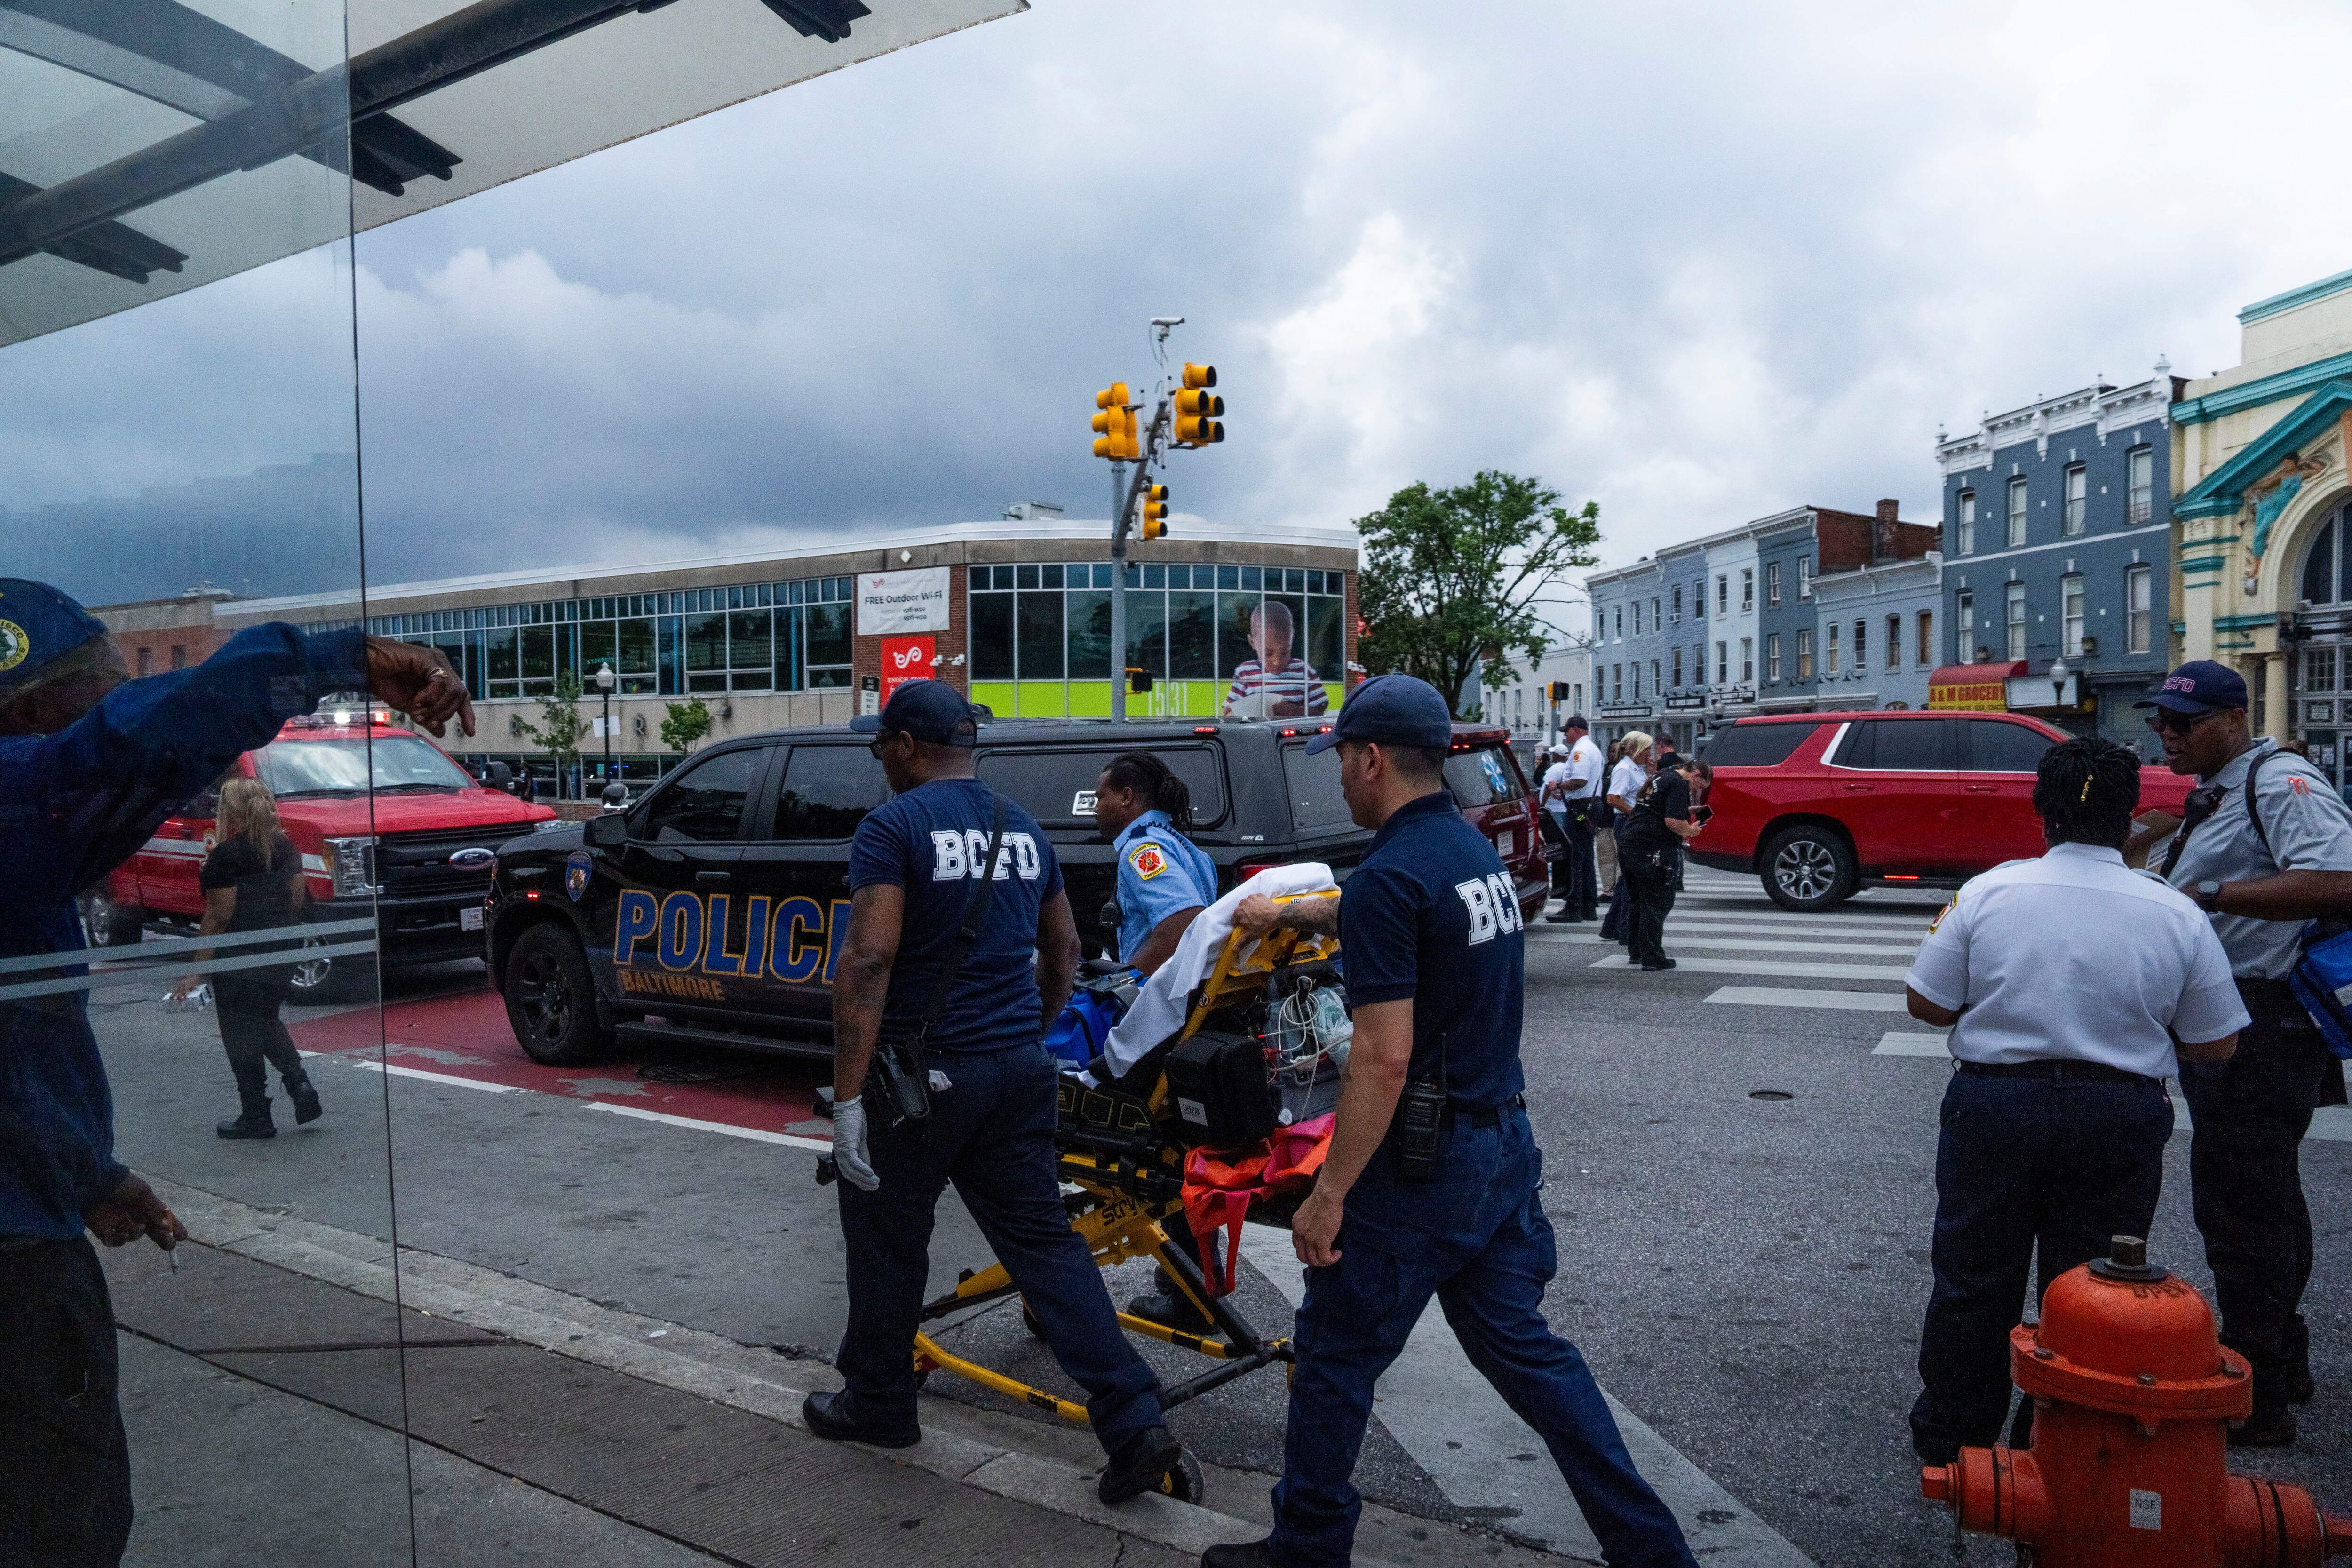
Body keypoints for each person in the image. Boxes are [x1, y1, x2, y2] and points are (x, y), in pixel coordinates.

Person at [0, 578, 471, 1566]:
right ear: (33, 713)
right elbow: (133, 743)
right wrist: (332, 657)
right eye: (100, 686)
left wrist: (90, 1176)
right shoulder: (20, 806)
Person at [1203, 674, 1697, 1568]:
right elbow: (1396, 921)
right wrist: (1305, 908)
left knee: (1335, 1358)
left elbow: (1384, 1057)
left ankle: (1306, 1547)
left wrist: (1330, 1194)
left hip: (1422, 1167)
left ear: (1371, 758)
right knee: (1534, 1362)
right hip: (1501, 1144)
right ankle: (1656, 1552)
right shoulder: (1470, 852)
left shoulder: (1394, 874)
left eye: (1343, 763)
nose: (1341, 780)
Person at [814, 680, 1185, 1504]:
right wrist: (1029, 1031)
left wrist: (846, 1100)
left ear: (908, 744)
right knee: (1047, 1248)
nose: (880, 756)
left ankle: (878, 1402)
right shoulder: (1019, 824)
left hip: (922, 1079)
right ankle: (1133, 1418)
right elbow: (1064, 949)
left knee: (886, 1240)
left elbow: (869, 961)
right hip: (1017, 1070)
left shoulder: (892, 827)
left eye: (883, 743)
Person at [1903, 735, 2245, 1464]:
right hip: (2116, 1115)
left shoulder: (1990, 890)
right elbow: (2217, 1043)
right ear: (2130, 820)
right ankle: (2056, 1436)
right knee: (2090, 1283)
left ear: (2040, 811)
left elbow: (1927, 1002)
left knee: (1972, 1277)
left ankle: (1951, 1438)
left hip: (1995, 1105)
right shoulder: (2174, 912)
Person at [2129, 660, 2352, 1446]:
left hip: (2265, 1018)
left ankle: (2255, 1393)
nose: (2167, 732)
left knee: (2239, 1202)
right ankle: (2282, 1357)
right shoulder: (2221, 789)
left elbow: (2339, 878)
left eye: (2183, 722)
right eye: (2161, 719)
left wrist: (2211, 896)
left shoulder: (2281, 780)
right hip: (2243, 1014)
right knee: (2267, 1195)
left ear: (2232, 717)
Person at [1089, 749, 1222, 1331]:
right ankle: (1191, 1290)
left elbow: (1182, 923)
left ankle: (1186, 1291)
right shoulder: (1184, 846)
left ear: (1128, 798)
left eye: (1101, 796)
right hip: (1189, 1021)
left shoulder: (1145, 851)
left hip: (1161, 1027)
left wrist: (1123, 983)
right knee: (1179, 1160)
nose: (1095, 808)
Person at [169, 778, 321, 1139]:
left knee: (239, 1030)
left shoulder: (226, 856)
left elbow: (219, 916)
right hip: (281, 948)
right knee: (267, 1019)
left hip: (239, 956)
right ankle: (299, 1084)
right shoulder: (285, 847)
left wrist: (196, 972)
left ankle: (256, 1113)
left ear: (231, 811)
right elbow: (296, 899)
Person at [1620, 759, 1709, 972]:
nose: (1696, 790)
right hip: (1652, 847)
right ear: (1696, 774)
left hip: (1630, 842)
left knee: (1637, 899)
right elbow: (1672, 822)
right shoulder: (1679, 782)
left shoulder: (1661, 776)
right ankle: (1653, 957)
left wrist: (1687, 810)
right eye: (1699, 786)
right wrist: (1691, 831)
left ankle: (1637, 951)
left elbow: (1656, 809)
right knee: (1656, 901)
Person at [1542, 718, 1606, 924]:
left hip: (1581, 808)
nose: (1565, 735)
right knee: (1585, 855)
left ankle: (1574, 905)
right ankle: (1588, 904)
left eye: (1567, 730)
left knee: (1574, 855)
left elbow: (1579, 781)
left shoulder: (1581, 751)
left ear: (1577, 729)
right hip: (1588, 806)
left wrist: (1558, 786)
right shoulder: (1593, 749)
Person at [1223, 601, 1328, 719]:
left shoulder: (1303, 671)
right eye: (1268, 654)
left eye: (1285, 652)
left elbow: (1320, 708)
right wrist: (1230, 714)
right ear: (1252, 642)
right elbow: (1229, 711)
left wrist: (1295, 711)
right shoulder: (1245, 673)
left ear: (1292, 638)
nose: (1277, 662)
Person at [1597, 732, 1654, 946]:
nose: (1649, 753)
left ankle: (1613, 926)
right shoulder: (1624, 769)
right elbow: (1613, 798)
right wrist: (1634, 813)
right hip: (1626, 824)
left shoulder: (1636, 769)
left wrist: (1651, 774)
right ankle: (1619, 926)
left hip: (1631, 823)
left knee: (1628, 877)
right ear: (1634, 750)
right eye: (1646, 749)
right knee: (1629, 876)